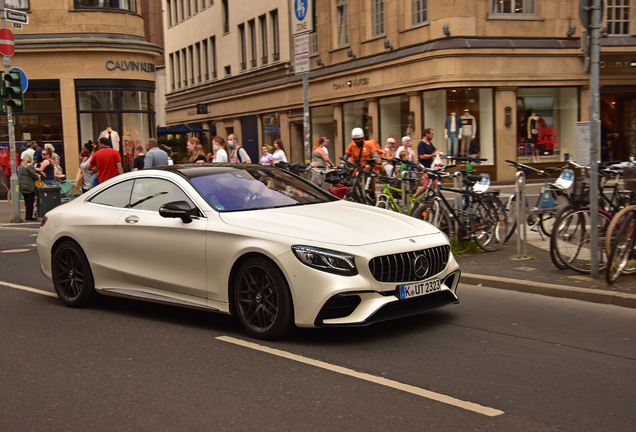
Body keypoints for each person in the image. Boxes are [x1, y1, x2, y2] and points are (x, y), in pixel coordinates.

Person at [417, 128, 441, 194]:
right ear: (426, 134)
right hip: (424, 168)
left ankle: (431, 199)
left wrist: (437, 152)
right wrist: (433, 155)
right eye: (431, 134)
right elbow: (421, 156)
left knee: (434, 184)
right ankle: (413, 198)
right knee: (425, 186)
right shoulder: (421, 144)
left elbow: (434, 149)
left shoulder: (429, 143)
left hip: (431, 168)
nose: (432, 136)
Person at [18, 155, 39, 221]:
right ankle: (29, 216)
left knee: (26, 201)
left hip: (22, 186)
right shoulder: (29, 166)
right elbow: (34, 176)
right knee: (30, 202)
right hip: (29, 186)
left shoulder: (21, 165)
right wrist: (37, 176)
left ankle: (27, 216)